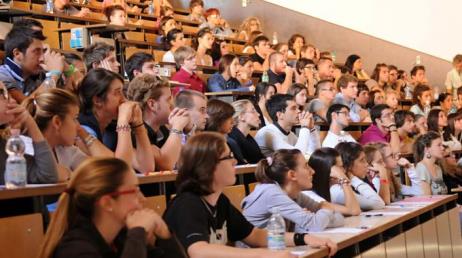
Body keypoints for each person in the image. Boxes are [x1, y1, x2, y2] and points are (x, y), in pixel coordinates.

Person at [163, 132, 337, 257]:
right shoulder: (188, 203)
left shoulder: (219, 201)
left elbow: (256, 236)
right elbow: (198, 250)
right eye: (228, 156)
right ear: (209, 165)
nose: (235, 161)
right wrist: (262, 255)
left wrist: (305, 238)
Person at [37, 157, 176, 258]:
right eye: (134, 191)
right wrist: (137, 234)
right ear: (107, 202)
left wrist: (164, 235)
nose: (143, 199)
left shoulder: (119, 239)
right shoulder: (75, 250)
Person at [242, 149, 344, 233]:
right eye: (306, 166)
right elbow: (315, 225)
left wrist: (319, 215)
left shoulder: (296, 194)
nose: (313, 171)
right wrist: (326, 211)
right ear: (292, 175)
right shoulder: (272, 193)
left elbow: (340, 219)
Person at [23, 88, 114, 180]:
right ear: (57, 122)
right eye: (74, 118)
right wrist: (70, 174)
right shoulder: (25, 149)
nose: (78, 126)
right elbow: (51, 173)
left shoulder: (65, 149)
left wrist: (85, 135)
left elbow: (108, 171)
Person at [78, 69, 154, 173]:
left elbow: (146, 167)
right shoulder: (82, 130)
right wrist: (123, 122)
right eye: (117, 93)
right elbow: (121, 171)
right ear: (97, 100)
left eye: (123, 92)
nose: (124, 99)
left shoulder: (111, 127)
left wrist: (138, 124)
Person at [127, 75, 191, 170]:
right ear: (152, 105)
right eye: (168, 99)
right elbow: (165, 164)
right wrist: (177, 128)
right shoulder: (134, 132)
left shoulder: (162, 129)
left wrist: (189, 129)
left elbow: (188, 157)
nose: (173, 104)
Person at [0, 82, 58, 184]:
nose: (13, 101)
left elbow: (47, 176)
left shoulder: (7, 143)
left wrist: (30, 123)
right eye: (3, 94)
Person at [0, 27, 64, 102]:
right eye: (37, 52)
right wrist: (54, 74)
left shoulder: (32, 77)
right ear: (17, 54)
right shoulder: (2, 76)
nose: (42, 59)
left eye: (43, 52)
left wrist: (65, 67)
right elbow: (28, 108)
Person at [255, 94, 319, 156]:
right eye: (293, 108)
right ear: (280, 115)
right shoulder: (267, 133)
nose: (299, 111)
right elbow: (297, 155)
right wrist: (305, 127)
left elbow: (313, 153)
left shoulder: (290, 134)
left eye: (298, 108)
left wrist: (312, 129)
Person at [305, 148, 361, 215]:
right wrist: (343, 178)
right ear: (328, 171)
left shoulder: (328, 191)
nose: (344, 171)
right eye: (340, 167)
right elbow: (354, 211)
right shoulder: (310, 196)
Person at [332, 142, 386, 210]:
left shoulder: (362, 180)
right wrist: (383, 175)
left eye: (365, 160)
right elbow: (379, 203)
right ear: (348, 166)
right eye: (362, 160)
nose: (366, 164)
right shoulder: (338, 189)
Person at [228, 99, 264, 164]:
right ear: (241, 117)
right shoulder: (233, 139)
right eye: (253, 111)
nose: (258, 114)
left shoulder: (248, 138)